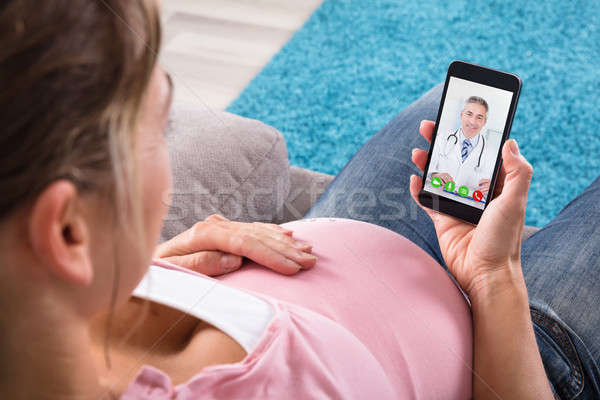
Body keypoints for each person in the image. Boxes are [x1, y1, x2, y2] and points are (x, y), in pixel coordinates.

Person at [1, 1, 600, 399]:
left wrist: (164, 258)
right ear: (67, 233)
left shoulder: (39, 301)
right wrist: (495, 276)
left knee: (449, 105)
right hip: (515, 352)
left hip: (340, 243)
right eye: (158, 130)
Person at [430, 96, 491, 198]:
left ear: (484, 122)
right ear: (461, 115)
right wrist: (434, 175)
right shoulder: (441, 138)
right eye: (469, 114)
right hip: (436, 197)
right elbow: (427, 169)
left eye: (479, 117)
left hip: (470, 206)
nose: (473, 121)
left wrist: (491, 187)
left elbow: (491, 190)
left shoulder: (493, 153)